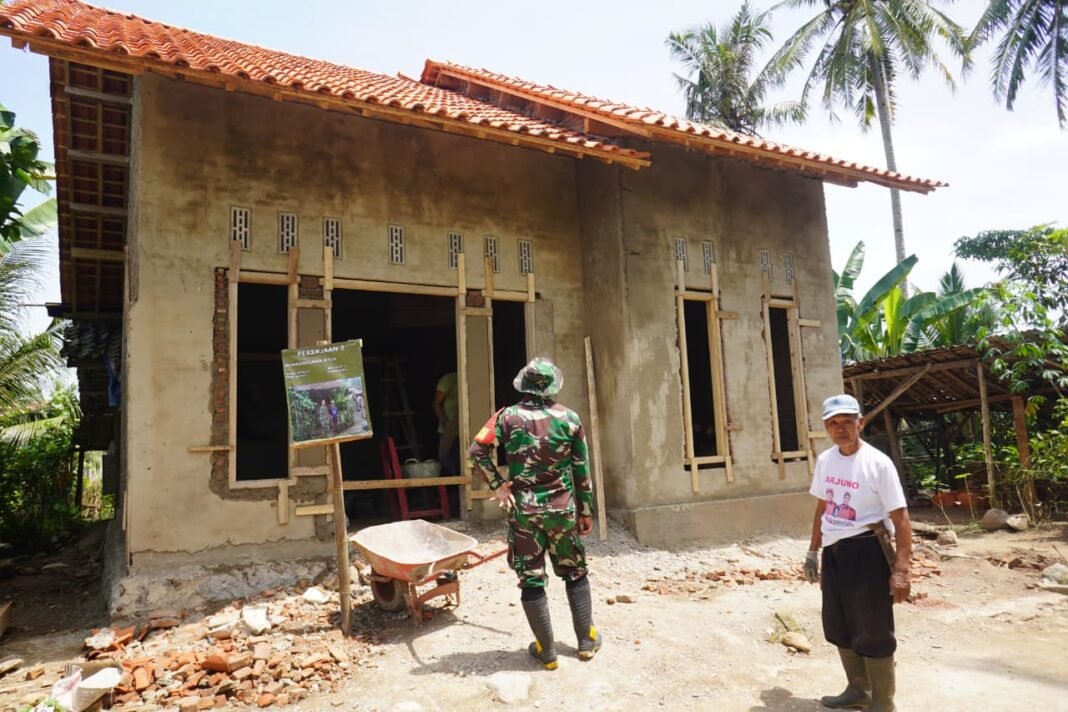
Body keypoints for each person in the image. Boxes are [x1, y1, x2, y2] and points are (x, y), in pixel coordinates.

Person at [468, 357, 601, 670]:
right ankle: (586, 641)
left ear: (523, 385)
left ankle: (547, 650)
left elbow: (477, 450)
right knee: (575, 571)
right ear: (552, 387)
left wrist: (500, 485)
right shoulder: (570, 418)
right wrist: (585, 511)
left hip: (525, 514)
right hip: (563, 510)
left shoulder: (506, 417)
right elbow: (581, 469)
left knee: (531, 580)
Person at [803, 394, 912, 712]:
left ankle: (883, 702)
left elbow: (901, 519)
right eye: (834, 423)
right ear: (827, 427)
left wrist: (901, 570)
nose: (841, 429)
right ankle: (857, 690)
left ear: (860, 423)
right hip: (835, 552)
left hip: (867, 551)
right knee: (839, 623)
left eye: (847, 422)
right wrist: (813, 550)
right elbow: (823, 508)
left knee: (873, 627)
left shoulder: (878, 463)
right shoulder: (826, 461)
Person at [433, 370, 460, 475]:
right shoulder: (448, 379)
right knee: (447, 463)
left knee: (463, 463)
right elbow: (436, 404)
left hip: (465, 429)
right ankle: (450, 490)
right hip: (449, 429)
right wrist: (444, 421)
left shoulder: (473, 378)